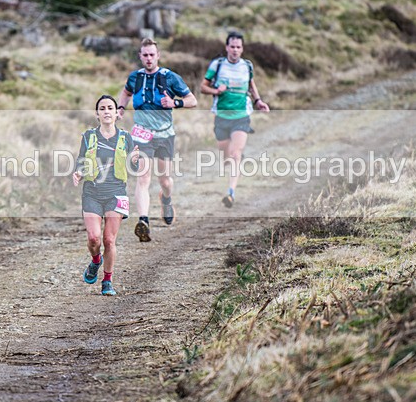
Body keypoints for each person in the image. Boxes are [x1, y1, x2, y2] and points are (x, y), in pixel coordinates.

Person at [117, 38, 197, 242]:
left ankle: (166, 199)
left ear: (158, 55)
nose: (149, 58)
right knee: (143, 178)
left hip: (164, 135)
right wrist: (120, 108)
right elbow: (126, 93)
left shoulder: (170, 77)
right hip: (141, 134)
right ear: (140, 56)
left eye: (152, 54)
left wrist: (175, 103)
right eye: (145, 55)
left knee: (165, 180)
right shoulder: (135, 77)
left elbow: (192, 100)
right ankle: (143, 221)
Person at [72, 94, 141, 296]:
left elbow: (134, 167)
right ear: (97, 114)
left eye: (110, 108)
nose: (106, 112)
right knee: (94, 238)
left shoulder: (125, 138)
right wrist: (78, 172)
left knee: (109, 240)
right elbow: (81, 160)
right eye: (102, 109)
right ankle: (96, 261)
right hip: (92, 192)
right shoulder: (89, 136)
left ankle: (107, 281)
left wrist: (135, 160)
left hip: (116, 193)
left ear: (117, 113)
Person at [200, 31, 269, 208]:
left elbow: (251, 84)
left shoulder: (247, 66)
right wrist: (216, 91)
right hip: (221, 116)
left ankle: (230, 193)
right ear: (227, 47)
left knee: (235, 154)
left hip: (241, 116)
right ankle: (233, 159)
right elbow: (203, 87)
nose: (235, 50)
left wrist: (258, 101)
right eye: (232, 46)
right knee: (226, 156)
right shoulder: (218, 65)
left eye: (238, 47)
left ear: (242, 48)